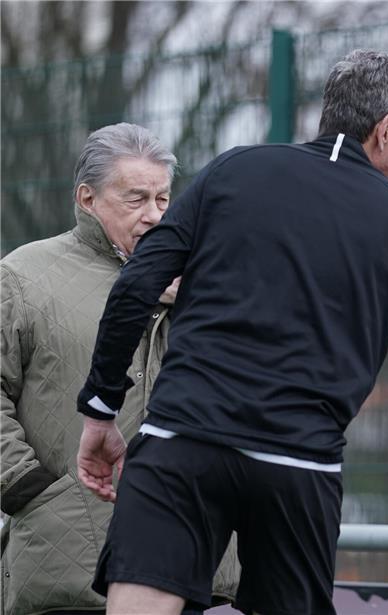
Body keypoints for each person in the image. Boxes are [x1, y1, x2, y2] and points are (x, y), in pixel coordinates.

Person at [74, 50, 388, 615]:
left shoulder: (234, 170)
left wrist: (102, 408)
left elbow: (135, 286)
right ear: (385, 131)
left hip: (185, 440)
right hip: (299, 463)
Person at [0, 123, 238, 615]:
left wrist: (192, 301)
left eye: (163, 199)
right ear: (87, 199)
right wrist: (30, 489)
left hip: (194, 558)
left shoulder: (207, 277)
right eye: (135, 200)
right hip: (67, 562)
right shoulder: (22, 276)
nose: (154, 215)